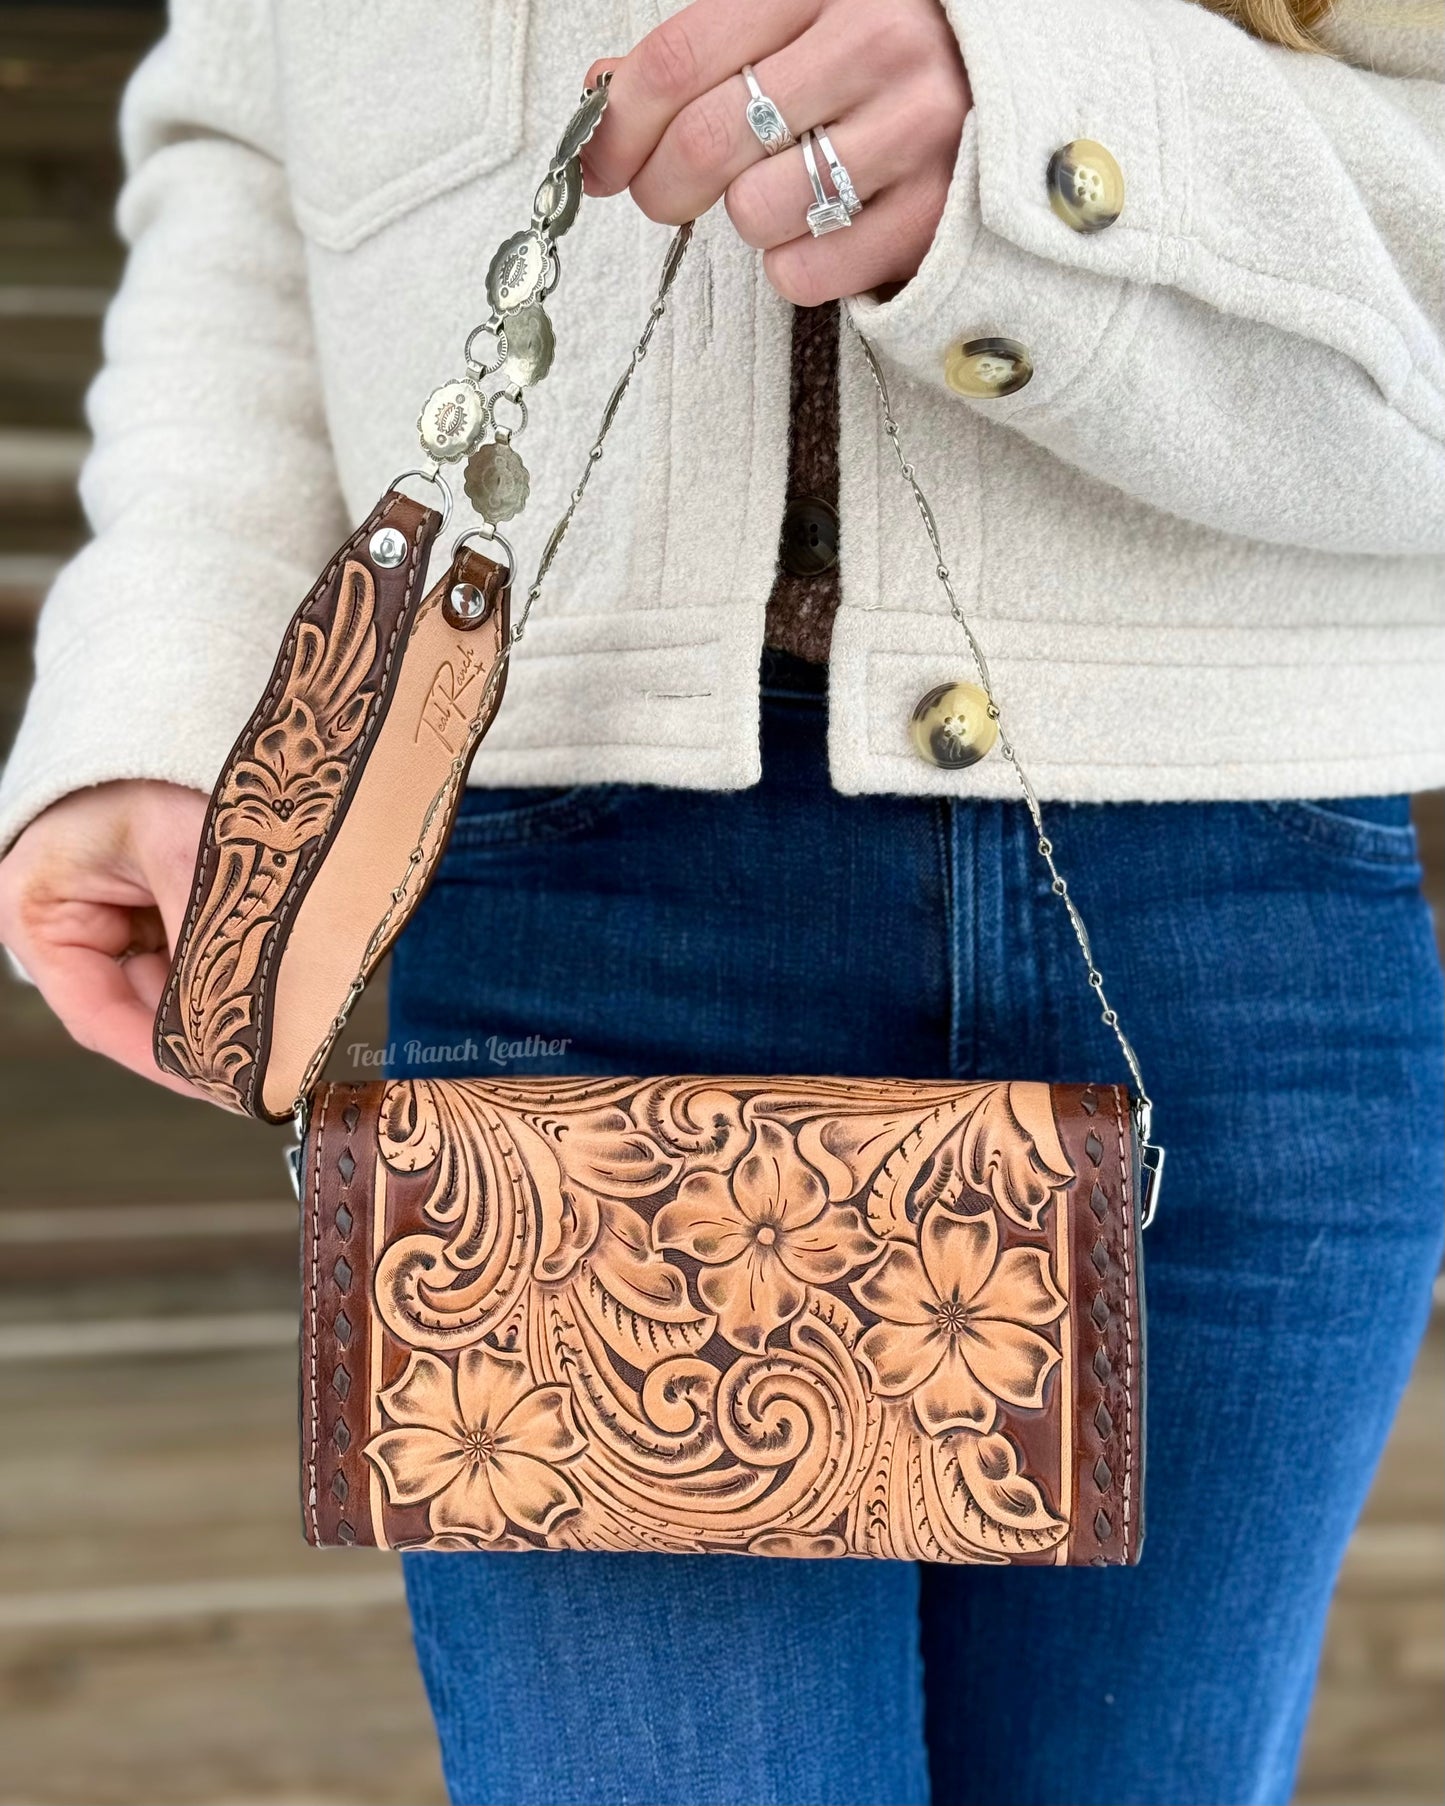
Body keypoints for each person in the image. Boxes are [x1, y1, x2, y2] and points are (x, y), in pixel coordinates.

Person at [1, 0, 1442, 1801]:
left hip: (1232, 904)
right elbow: (245, 144)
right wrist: (184, 679)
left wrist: (1065, 148)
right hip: (577, 877)